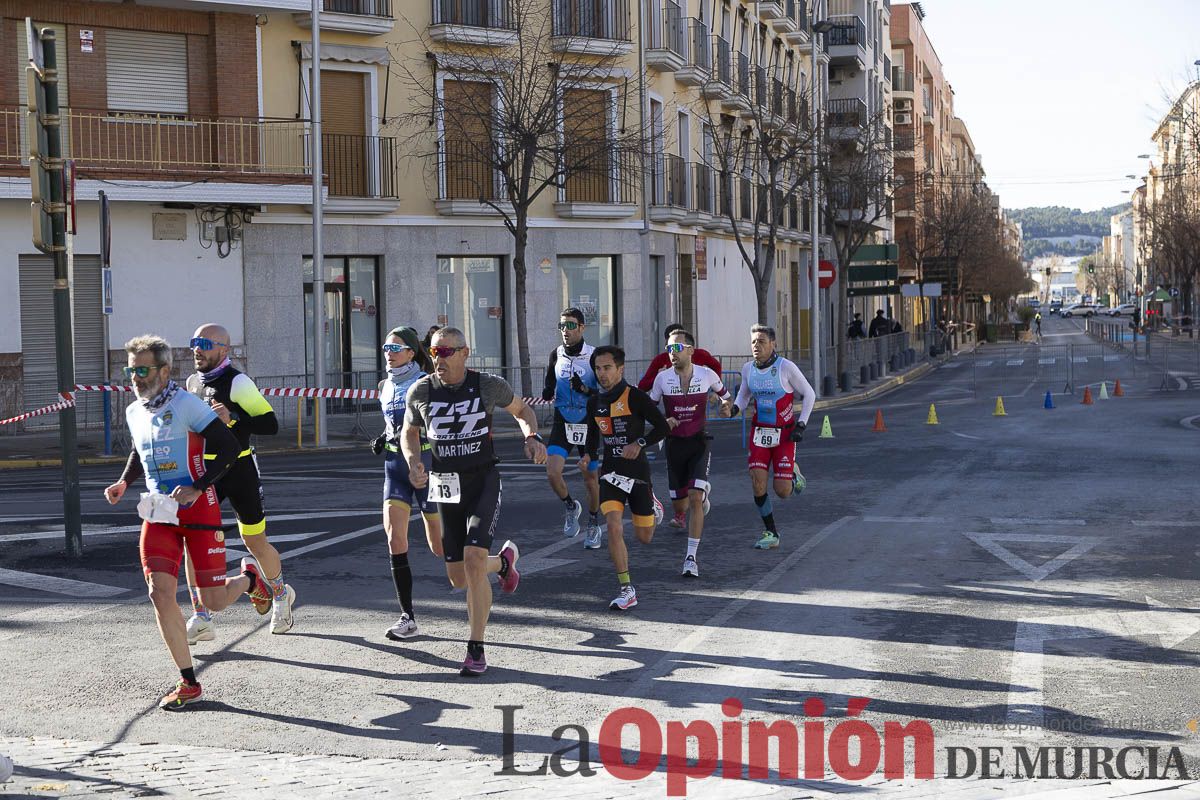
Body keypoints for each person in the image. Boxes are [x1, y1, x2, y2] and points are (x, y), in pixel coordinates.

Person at [103, 335, 266, 710]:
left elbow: (227, 448)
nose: (135, 377)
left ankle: (250, 580)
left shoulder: (187, 404)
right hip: (159, 513)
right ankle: (188, 682)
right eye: (130, 370)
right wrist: (124, 482)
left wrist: (197, 487)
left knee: (214, 600)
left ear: (163, 370)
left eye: (142, 370)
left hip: (198, 510)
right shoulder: (134, 411)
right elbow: (138, 449)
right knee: (159, 594)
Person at [401, 326, 547, 676]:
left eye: (447, 352)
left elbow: (522, 410)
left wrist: (532, 436)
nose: (439, 360)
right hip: (444, 484)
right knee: (459, 578)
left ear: (465, 352)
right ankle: (504, 564)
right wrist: (413, 463)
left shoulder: (487, 385)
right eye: (433, 353)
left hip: (483, 479)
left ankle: (476, 647)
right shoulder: (421, 390)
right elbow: (409, 431)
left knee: (473, 557)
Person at [181, 324, 294, 643]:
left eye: (203, 344)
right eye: (193, 343)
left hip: (240, 467)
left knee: (254, 541)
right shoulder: (192, 383)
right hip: (207, 471)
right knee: (194, 542)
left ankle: (282, 596)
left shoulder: (238, 382)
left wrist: (233, 419)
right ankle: (201, 616)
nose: (196, 349)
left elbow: (270, 424)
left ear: (224, 350)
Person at [582, 346, 671, 609]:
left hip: (637, 473)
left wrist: (640, 442)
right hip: (610, 472)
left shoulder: (636, 397)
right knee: (613, 525)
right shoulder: (594, 402)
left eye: (607, 368)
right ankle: (626, 589)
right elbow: (592, 436)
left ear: (620, 369)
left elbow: (663, 427)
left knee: (645, 537)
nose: (602, 374)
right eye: (598, 368)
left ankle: (653, 505)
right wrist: (587, 456)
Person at [373, 326, 443, 641]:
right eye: (386, 347)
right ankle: (408, 617)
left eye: (396, 348)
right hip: (394, 468)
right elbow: (394, 426)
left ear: (412, 353)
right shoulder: (384, 385)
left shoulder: (425, 384)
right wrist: (382, 438)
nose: (389, 352)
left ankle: (499, 564)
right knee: (395, 540)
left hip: (425, 466)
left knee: (440, 547)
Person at [721, 324, 816, 550]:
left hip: (784, 435)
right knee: (757, 483)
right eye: (753, 341)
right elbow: (743, 397)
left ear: (773, 344)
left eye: (762, 341)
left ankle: (794, 472)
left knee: (782, 491)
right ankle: (771, 532)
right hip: (759, 433)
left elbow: (810, 394)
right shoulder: (747, 369)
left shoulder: (786, 368)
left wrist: (801, 425)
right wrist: (732, 410)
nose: (757, 346)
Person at [648, 330, 733, 577]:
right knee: (680, 504)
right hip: (674, 445)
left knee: (694, 496)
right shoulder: (662, 379)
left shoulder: (707, 375)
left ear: (690, 350)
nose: (671, 353)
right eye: (668, 349)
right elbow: (650, 408)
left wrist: (727, 407)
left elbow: (727, 398)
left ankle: (690, 558)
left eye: (676, 348)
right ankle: (701, 497)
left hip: (699, 441)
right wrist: (664, 420)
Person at [540, 308, 602, 547]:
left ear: (582, 328)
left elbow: (605, 392)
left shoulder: (594, 355)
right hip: (562, 419)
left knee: (590, 479)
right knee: (552, 473)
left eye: (571, 326)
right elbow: (550, 380)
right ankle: (570, 506)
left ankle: (594, 522)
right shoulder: (556, 354)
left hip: (588, 422)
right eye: (562, 326)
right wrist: (547, 391)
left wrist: (585, 390)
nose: (566, 331)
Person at [637, 323, 723, 392]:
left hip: (697, 404)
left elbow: (717, 366)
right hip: (672, 407)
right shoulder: (660, 360)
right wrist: (658, 376)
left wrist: (714, 390)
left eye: (678, 346)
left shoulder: (700, 354)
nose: (674, 351)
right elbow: (642, 386)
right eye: (670, 346)